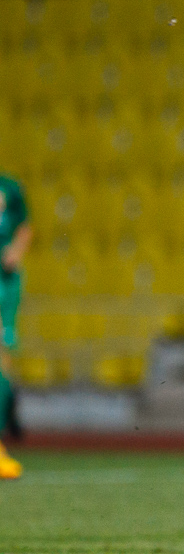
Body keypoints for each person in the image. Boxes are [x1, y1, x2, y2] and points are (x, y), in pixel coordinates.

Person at [0, 172, 31, 480]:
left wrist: (16, 251)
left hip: (3, 283)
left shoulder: (9, 187)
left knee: (1, 356)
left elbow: (25, 225)